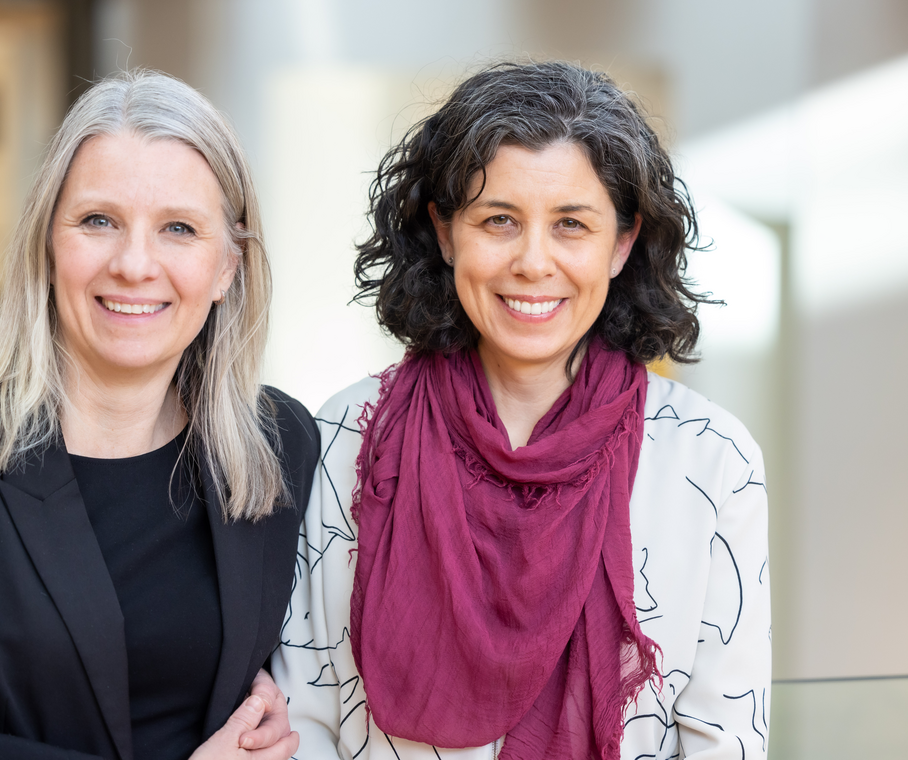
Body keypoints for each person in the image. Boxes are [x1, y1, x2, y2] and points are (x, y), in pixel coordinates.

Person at [273, 61, 770, 760]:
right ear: (445, 232)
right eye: (499, 220)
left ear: (622, 243)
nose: (534, 262)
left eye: (571, 224)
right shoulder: (346, 435)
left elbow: (726, 742)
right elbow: (303, 724)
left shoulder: (712, 459)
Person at [0, 70, 320, 760]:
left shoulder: (281, 443)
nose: (134, 264)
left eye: (178, 228)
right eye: (98, 221)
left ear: (227, 268)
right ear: (49, 247)